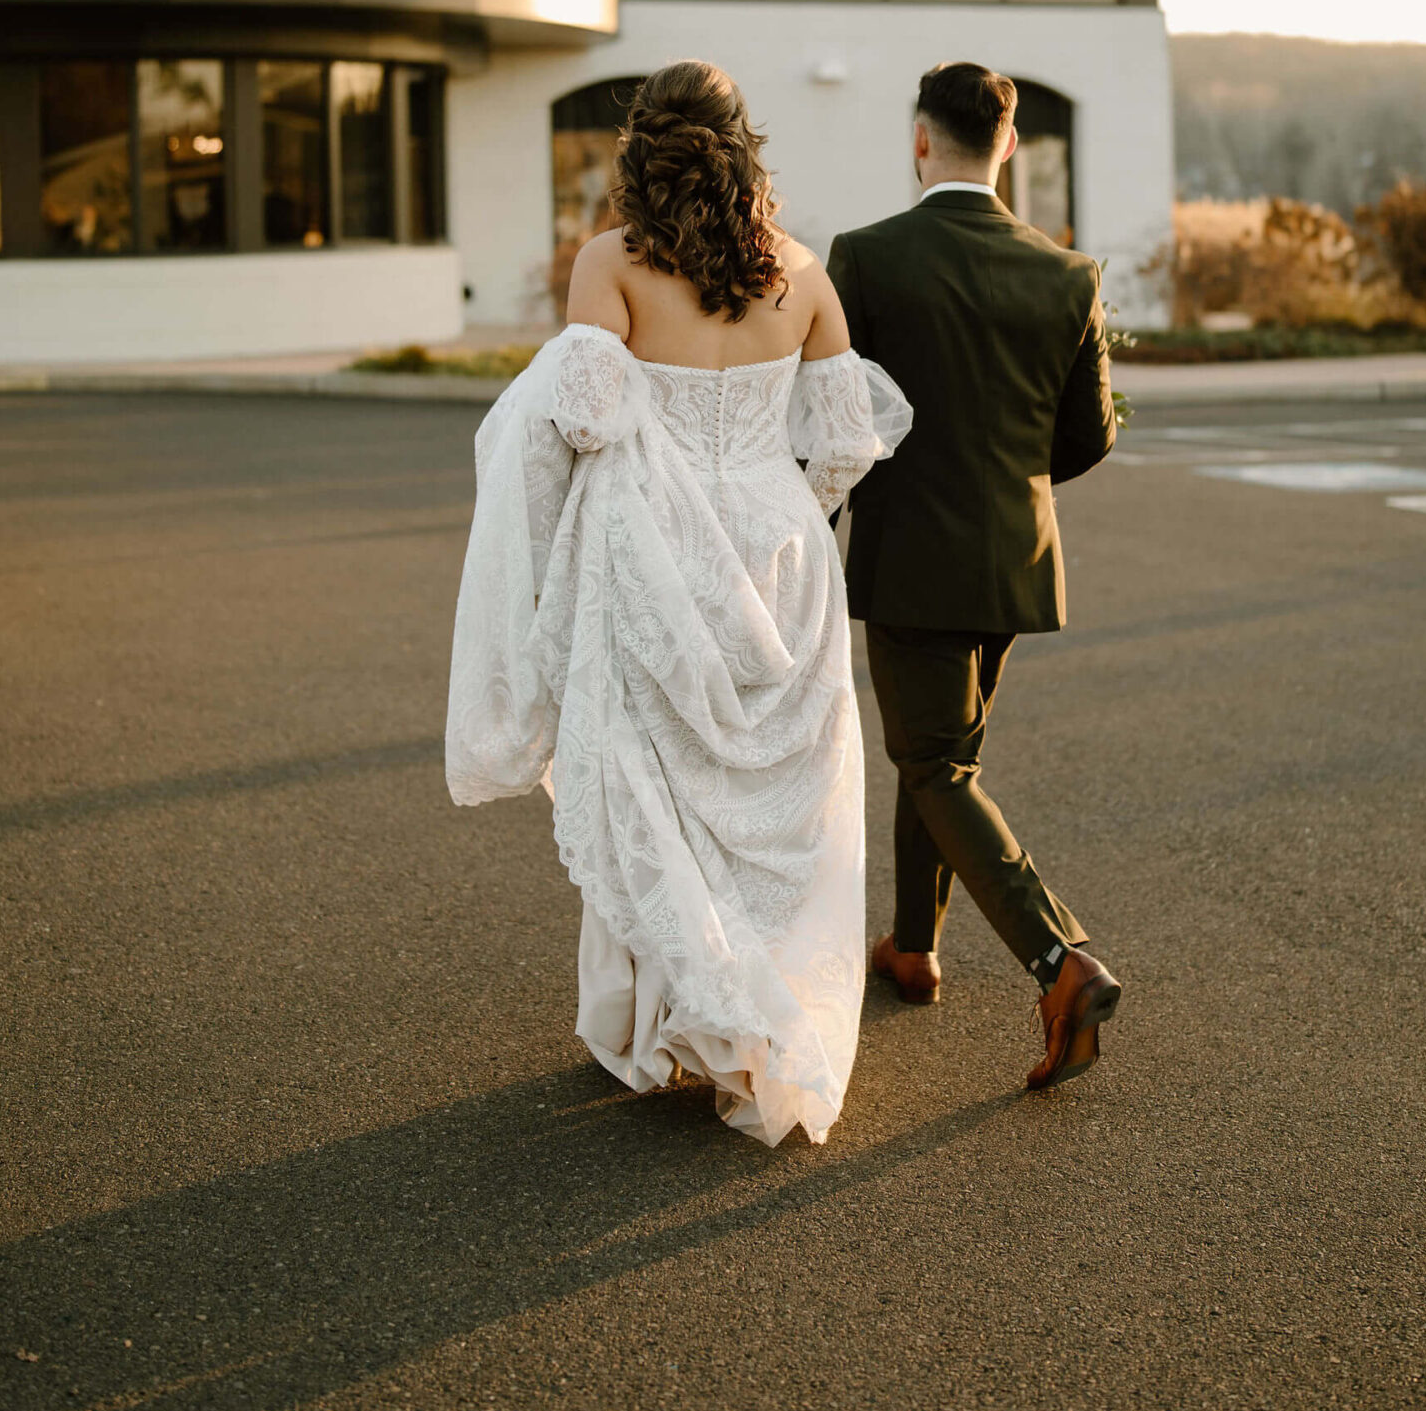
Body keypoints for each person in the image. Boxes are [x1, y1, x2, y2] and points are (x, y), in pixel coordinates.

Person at [445, 61, 910, 1147]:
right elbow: (846, 439)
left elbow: (583, 422)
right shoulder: (802, 272)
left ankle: (670, 1019)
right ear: (744, 145)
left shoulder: (608, 261)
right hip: (781, 550)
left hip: (650, 551)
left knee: (653, 784)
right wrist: (792, 503)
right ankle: (759, 1011)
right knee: (771, 806)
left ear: (641, 146)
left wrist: (555, 556)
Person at [827, 61, 1121, 1091]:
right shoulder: (1066, 272)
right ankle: (912, 945)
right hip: (1013, 559)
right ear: (1007, 147)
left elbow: (837, 424)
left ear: (920, 142)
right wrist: (1004, 489)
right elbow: (1086, 439)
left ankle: (1060, 959)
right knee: (938, 757)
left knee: (936, 764)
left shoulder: (865, 258)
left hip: (909, 557)